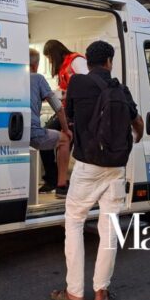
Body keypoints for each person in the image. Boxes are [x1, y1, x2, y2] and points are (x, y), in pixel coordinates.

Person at [50, 41, 144, 300]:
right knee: (109, 228)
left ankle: (74, 293)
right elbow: (138, 124)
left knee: (75, 222)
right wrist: (134, 137)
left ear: (88, 62)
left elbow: (68, 119)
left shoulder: (77, 84)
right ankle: (101, 292)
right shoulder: (120, 89)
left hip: (87, 167)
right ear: (109, 62)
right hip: (115, 168)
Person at [38, 40, 89, 197]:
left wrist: (63, 94)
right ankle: (52, 179)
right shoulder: (63, 68)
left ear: (55, 53)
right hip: (66, 110)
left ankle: (61, 184)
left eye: (49, 58)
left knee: (64, 141)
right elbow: (66, 89)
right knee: (43, 137)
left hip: (77, 112)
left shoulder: (77, 61)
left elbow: (86, 85)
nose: (50, 62)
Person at [28, 49, 73, 197]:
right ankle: (61, 186)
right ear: (35, 66)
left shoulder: (9, 77)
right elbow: (59, 108)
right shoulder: (38, 78)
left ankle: (48, 180)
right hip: (31, 132)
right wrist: (66, 129)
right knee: (64, 140)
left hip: (12, 131)